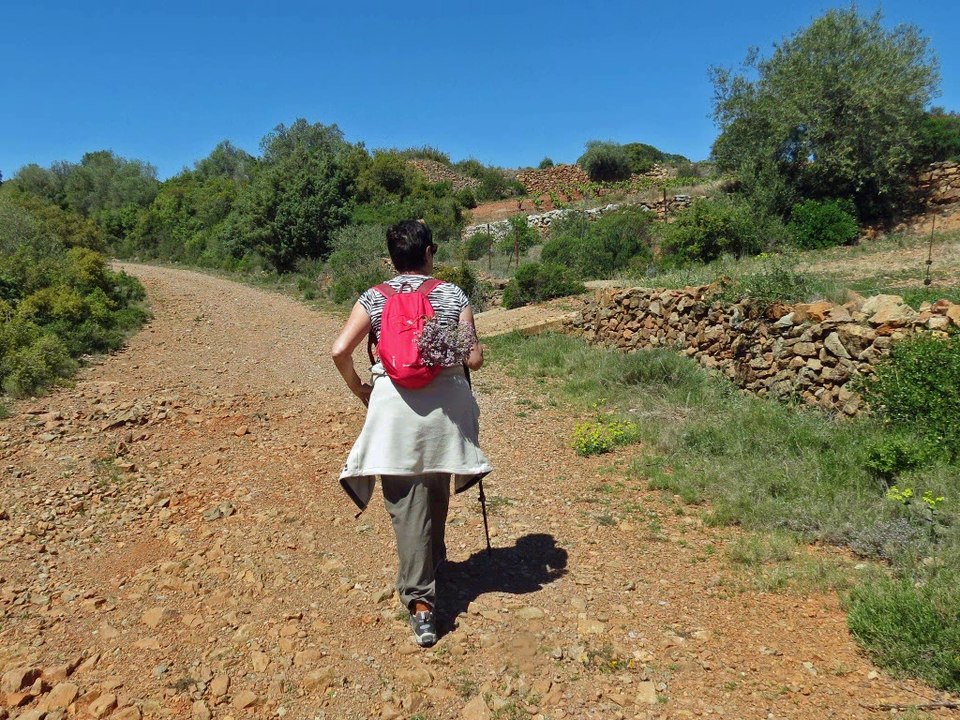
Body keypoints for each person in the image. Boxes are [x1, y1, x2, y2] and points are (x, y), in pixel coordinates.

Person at [331, 220, 492, 647]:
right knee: (435, 486)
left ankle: (421, 605)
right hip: (446, 410)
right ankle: (430, 566)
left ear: (392, 258)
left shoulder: (375, 297)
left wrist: (361, 390)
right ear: (429, 253)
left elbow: (339, 350)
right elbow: (473, 359)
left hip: (394, 409)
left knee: (405, 504)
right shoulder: (452, 294)